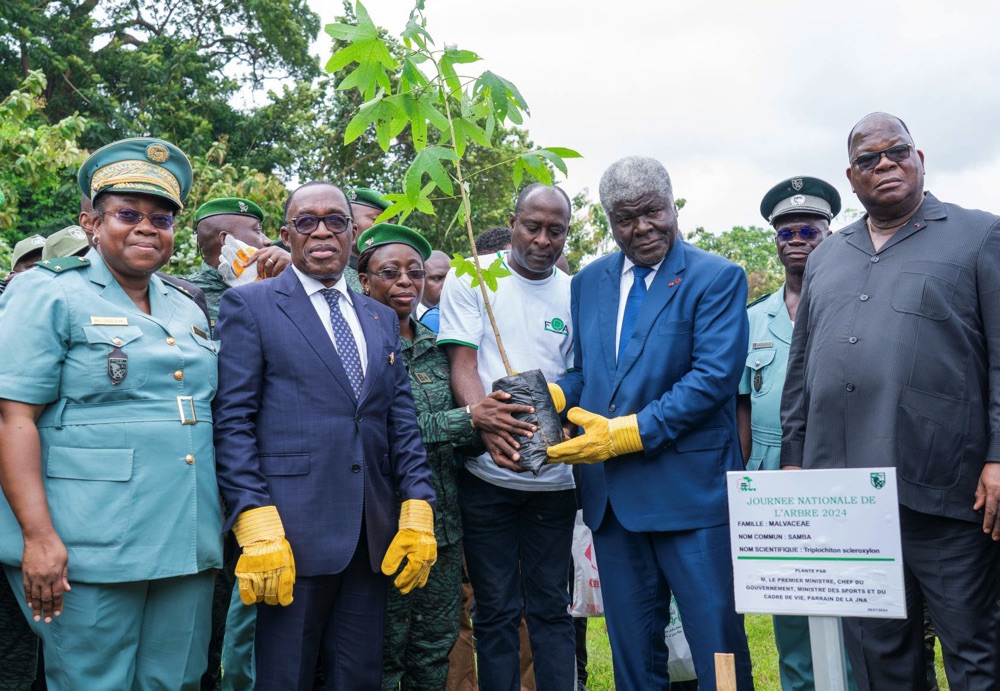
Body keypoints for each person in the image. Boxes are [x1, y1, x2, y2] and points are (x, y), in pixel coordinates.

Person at [780, 112, 1000, 690]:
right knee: (879, 656)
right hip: (848, 496)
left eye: (896, 151)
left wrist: (999, 457)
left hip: (947, 491)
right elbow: (801, 367)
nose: (884, 164)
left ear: (920, 158)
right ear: (850, 178)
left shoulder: (978, 235)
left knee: (974, 649)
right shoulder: (828, 255)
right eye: (867, 159)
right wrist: (796, 460)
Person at [0, 136, 222, 688]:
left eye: (162, 219)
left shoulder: (185, 304)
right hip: (86, 541)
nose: (148, 227)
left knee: (177, 680)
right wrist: (38, 536)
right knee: (92, 680)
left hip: (185, 536)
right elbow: (13, 419)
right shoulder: (47, 293)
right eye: (128, 214)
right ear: (91, 223)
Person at [212, 180, 436, 690]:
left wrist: (419, 503)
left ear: (354, 234)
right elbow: (233, 421)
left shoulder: (379, 316)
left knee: (356, 677)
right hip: (288, 531)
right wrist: (253, 516)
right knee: (284, 677)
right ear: (287, 233)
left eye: (335, 221)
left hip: (370, 532)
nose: (321, 231)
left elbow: (400, 422)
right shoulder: (251, 305)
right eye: (306, 221)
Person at [546, 156, 753, 690]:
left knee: (718, 646)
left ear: (672, 202)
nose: (642, 228)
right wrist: (555, 395)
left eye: (653, 212)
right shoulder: (587, 281)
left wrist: (631, 432)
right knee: (633, 655)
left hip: (692, 500)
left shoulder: (717, 277)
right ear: (609, 220)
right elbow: (591, 373)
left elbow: (712, 379)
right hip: (614, 505)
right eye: (625, 218)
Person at [356, 222, 534, 690]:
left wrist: (499, 426)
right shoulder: (355, 347)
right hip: (382, 527)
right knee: (384, 651)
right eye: (389, 272)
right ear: (364, 281)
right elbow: (380, 433)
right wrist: (471, 418)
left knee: (435, 649)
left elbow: (467, 430)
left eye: (414, 273)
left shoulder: (438, 348)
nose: (404, 283)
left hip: (445, 526)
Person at [438, 183, 577, 691]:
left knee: (551, 609)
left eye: (555, 231)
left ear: (567, 232)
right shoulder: (471, 274)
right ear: (512, 220)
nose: (542, 240)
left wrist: (565, 425)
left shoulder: (573, 291)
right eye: (532, 227)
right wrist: (484, 419)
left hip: (556, 478)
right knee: (494, 610)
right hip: (488, 474)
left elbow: (580, 372)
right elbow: (463, 363)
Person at [737, 176, 857, 691]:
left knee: (853, 607)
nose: (797, 240)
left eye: (808, 229)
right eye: (785, 233)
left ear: (830, 234)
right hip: (771, 476)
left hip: (843, 469)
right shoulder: (750, 319)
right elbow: (741, 404)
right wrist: (739, 482)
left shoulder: (856, 302)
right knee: (790, 607)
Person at [185, 197, 290, 324]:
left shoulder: (280, 282)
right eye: (258, 231)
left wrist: (295, 272)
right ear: (226, 239)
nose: (268, 241)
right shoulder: (182, 292)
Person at [345, 187, 392, 293]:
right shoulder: (329, 274)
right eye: (376, 219)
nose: (385, 228)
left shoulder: (396, 275)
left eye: (389, 223)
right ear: (349, 222)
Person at [417, 249, 450, 332]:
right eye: (437, 278)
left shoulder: (467, 314)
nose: (447, 284)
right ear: (420, 280)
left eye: (451, 278)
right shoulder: (401, 317)